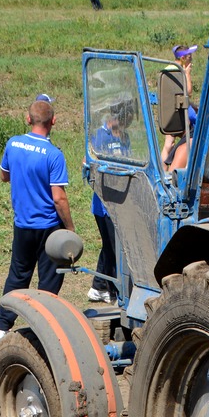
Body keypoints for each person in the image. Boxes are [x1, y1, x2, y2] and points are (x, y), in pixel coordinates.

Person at [0, 97, 74, 342]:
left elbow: (4, 176)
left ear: (28, 119)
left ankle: (1, 325)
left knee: (18, 275)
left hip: (22, 224)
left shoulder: (13, 143)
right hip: (49, 226)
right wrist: (69, 228)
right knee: (49, 279)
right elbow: (58, 198)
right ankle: (43, 326)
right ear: (54, 122)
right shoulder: (54, 154)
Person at [87, 109, 128, 303]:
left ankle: (99, 286)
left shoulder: (124, 136)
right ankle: (114, 290)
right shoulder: (100, 136)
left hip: (121, 202)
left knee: (111, 246)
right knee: (114, 247)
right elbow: (89, 165)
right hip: (104, 206)